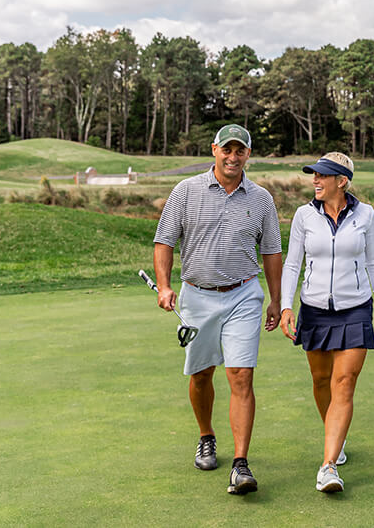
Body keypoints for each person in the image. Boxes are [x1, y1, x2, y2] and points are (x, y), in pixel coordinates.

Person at [152, 123, 283, 496]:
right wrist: (164, 286)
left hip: (244, 294)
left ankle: (241, 464)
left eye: (240, 150)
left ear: (248, 155)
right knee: (201, 374)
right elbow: (164, 242)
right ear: (214, 150)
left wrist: (276, 299)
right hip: (198, 295)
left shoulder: (261, 199)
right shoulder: (186, 191)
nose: (233, 156)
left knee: (241, 376)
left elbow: (271, 252)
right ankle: (206, 435)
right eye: (227, 149)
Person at [279, 152, 374, 493]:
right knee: (321, 381)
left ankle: (328, 466)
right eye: (313, 175)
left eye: (322, 175)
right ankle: (337, 437)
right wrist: (287, 308)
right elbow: (292, 265)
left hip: (355, 309)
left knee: (343, 383)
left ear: (341, 181)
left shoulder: (365, 215)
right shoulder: (304, 215)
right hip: (314, 310)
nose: (314, 180)